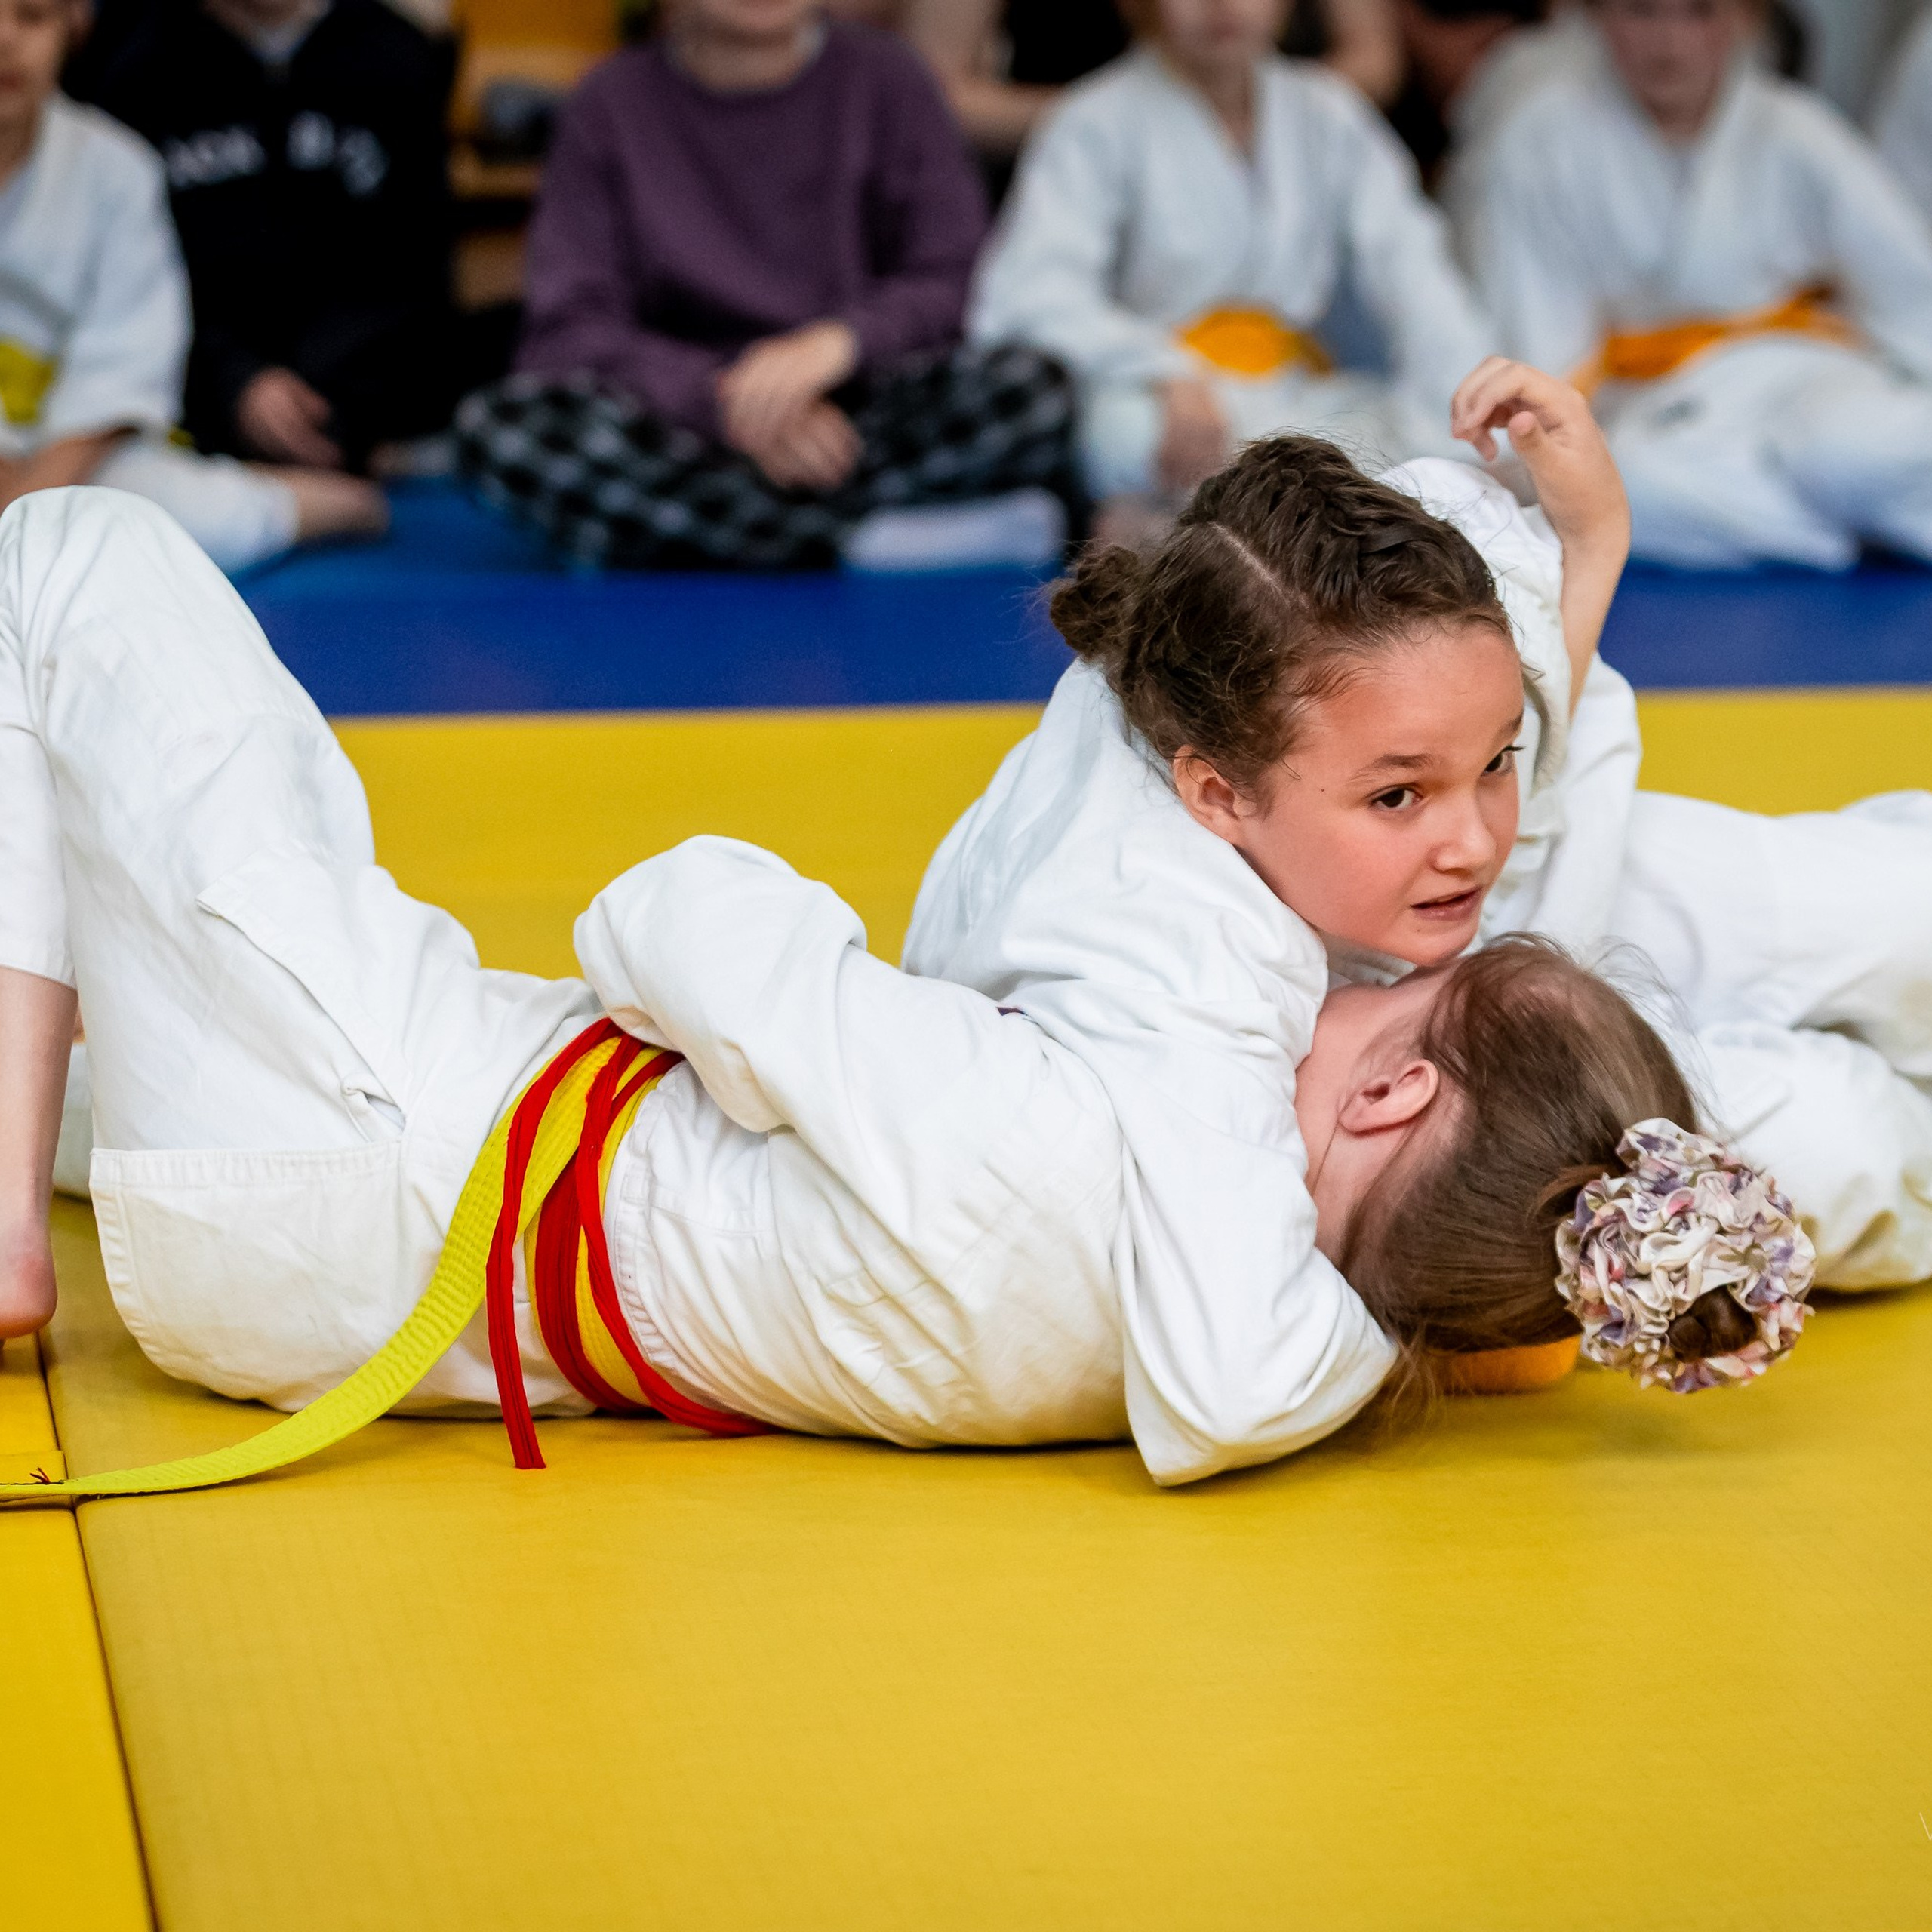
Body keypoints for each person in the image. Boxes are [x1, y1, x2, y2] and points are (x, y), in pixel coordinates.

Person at [0, 477, 1805, 1492]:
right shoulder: (1251, 1329)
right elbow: (1258, 1351)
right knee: (95, 894)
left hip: (371, 1117)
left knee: (76, 559)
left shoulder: (1066, 1126)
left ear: (1394, 1093)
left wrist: (827, 992)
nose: (1350, 971)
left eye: (1396, 1000)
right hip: (368, 1277)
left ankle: (10, 1211)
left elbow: (669, 915)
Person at [454, 0, 1076, 574]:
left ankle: (724, 530)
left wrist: (839, 344)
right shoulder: (607, 103)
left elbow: (955, 280)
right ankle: (861, 538)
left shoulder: (891, 80)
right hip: (683, 423)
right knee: (500, 430)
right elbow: (569, 331)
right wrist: (726, 399)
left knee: (1035, 391)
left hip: (855, 413)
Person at [968, 0, 1495, 545]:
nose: (1221, 6)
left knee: (1417, 427)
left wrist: (1469, 402)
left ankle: (1195, 535)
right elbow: (1026, 292)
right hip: (1178, 411)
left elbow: (1412, 270)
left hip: (1298, 394)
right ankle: (1297, 528)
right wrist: (1161, 367)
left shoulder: (1328, 112)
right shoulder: (1094, 118)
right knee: (1123, 435)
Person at [1452, 0, 1932, 570]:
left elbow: (1911, 289)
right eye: (1642, 13)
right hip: (1662, 410)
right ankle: (1849, 530)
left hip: (1804, 375)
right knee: (1623, 481)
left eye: (1698, 13)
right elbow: (1541, 336)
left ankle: (1837, 506)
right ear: (1598, 18)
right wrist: (1539, 441)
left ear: (1744, 20)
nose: (1669, 41)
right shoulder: (1536, 143)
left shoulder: (1797, 132)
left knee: (1845, 448)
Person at [0, 0, 380, 567]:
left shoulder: (117, 168)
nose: (5, 41)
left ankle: (313, 504)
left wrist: (28, 502)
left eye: (31, 18)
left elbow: (124, 363)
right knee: (88, 547)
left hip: (77, 452)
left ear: (73, 28)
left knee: (173, 519)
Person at [75, 0, 503, 477]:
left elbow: (416, 269)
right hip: (192, 402)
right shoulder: (126, 62)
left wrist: (324, 394)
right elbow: (127, 282)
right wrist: (236, 383)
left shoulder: (397, 52)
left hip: (369, 401)